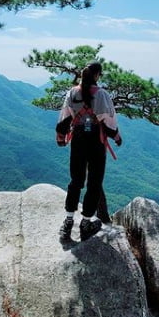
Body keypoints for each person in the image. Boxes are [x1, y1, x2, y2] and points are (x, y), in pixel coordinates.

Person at [56, 62, 122, 241]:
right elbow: (109, 121)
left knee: (76, 180)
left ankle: (68, 221)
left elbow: (64, 117)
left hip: (78, 140)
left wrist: (61, 136)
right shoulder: (101, 94)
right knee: (94, 181)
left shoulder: (72, 93)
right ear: (97, 75)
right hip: (96, 142)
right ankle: (86, 223)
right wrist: (116, 137)